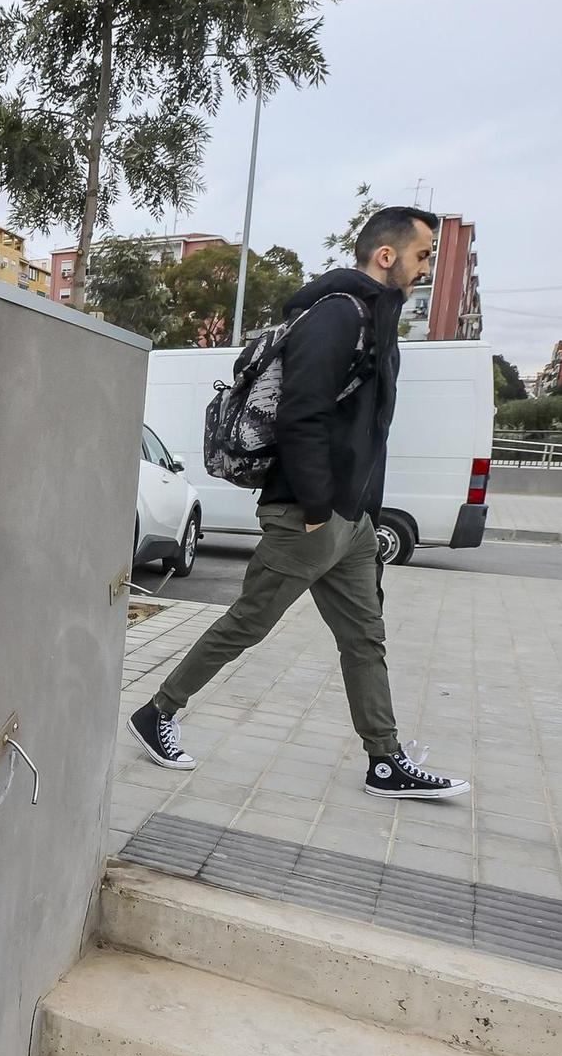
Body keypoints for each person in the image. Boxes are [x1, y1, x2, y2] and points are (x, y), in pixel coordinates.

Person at [128, 205, 470, 799]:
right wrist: (317, 507)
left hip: (354, 521)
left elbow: (368, 431)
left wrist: (360, 511)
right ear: (385, 256)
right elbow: (301, 413)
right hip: (310, 514)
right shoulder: (338, 316)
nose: (424, 269)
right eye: (421, 256)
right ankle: (157, 712)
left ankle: (384, 760)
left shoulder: (377, 320)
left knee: (365, 638)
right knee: (247, 624)